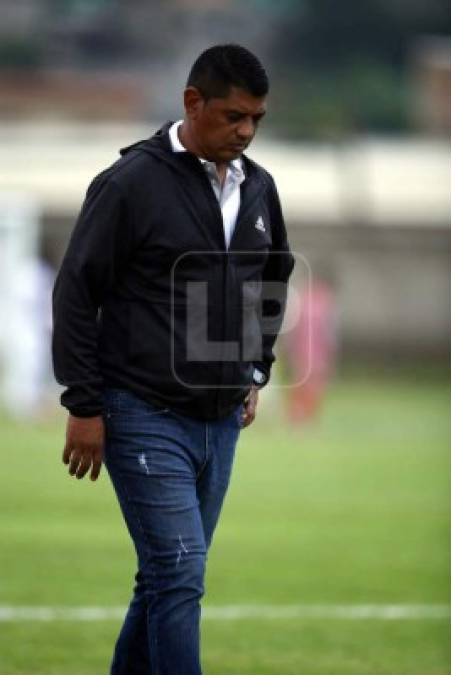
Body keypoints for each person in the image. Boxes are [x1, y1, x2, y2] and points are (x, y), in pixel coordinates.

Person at [52, 44, 295, 675]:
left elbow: (269, 283)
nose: (246, 131)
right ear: (193, 102)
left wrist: (255, 367)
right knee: (180, 573)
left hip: (220, 422)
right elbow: (76, 290)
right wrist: (83, 404)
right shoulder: (129, 184)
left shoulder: (260, 187)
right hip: (141, 411)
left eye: (256, 120)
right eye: (234, 116)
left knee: (165, 579)